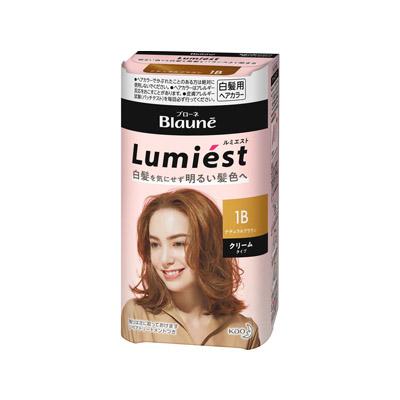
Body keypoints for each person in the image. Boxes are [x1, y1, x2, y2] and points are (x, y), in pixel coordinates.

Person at [121, 188, 260, 349]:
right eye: (155, 244)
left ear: (209, 246)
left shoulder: (244, 331)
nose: (164, 260)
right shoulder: (136, 316)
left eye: (178, 243)